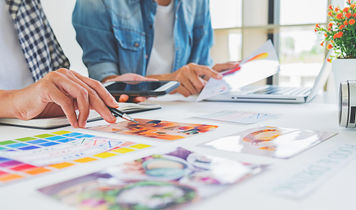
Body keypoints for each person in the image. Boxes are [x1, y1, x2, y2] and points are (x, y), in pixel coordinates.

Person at [0, 0, 146, 128]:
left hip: (39, 127)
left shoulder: (26, 4)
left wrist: (73, 93)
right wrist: (15, 101)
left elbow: (50, 82)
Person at [72, 0, 238, 97]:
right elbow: (105, 84)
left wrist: (210, 76)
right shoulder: (95, 3)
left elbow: (200, 64)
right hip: (132, 116)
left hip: (184, 114)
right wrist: (170, 81)